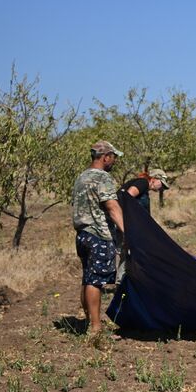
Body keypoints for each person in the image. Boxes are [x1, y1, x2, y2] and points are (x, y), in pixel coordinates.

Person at [72, 140, 126, 339]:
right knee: (96, 282)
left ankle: (89, 323)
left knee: (87, 279)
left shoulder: (82, 177)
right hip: (98, 235)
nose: (114, 161)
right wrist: (126, 232)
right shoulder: (102, 178)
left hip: (82, 235)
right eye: (114, 157)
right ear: (106, 157)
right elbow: (112, 207)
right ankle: (95, 329)